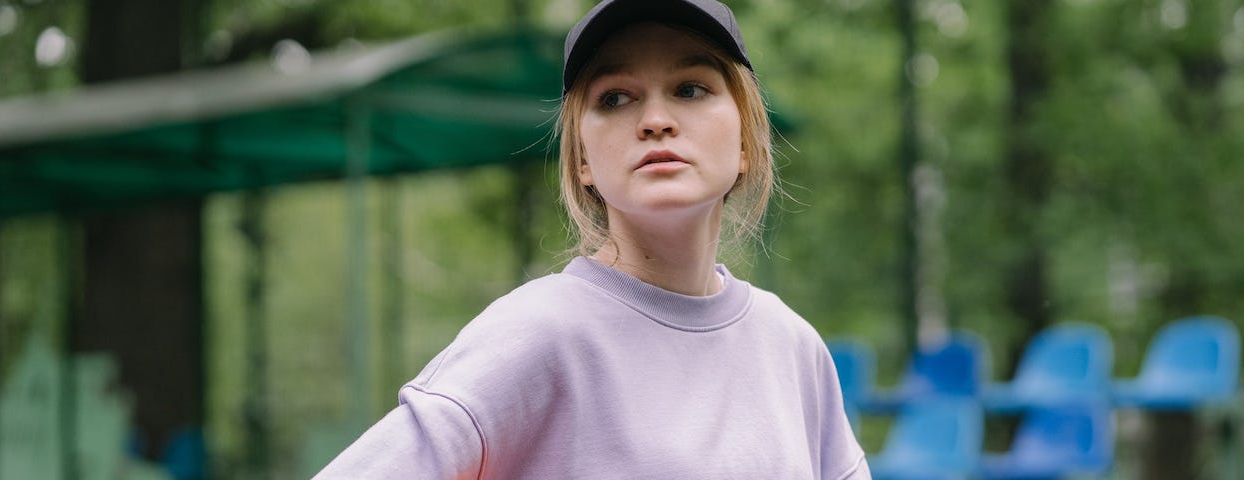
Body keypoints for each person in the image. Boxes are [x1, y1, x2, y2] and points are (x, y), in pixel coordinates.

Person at [315, 0, 869, 478]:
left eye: (691, 88)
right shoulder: (539, 333)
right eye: (614, 98)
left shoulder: (792, 347)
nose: (655, 118)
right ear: (582, 158)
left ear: (745, 139)